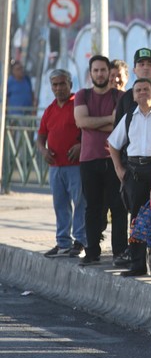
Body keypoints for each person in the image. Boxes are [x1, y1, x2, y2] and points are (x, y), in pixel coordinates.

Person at [108, 78, 151, 276]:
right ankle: (137, 264)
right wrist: (119, 168)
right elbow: (113, 143)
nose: (142, 93)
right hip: (134, 172)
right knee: (136, 218)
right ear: (133, 94)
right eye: (138, 90)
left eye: (146, 89)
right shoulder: (129, 116)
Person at [74, 55, 126, 266]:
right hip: (88, 159)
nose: (100, 74)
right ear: (90, 73)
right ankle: (92, 251)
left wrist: (92, 123)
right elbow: (80, 121)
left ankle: (120, 253)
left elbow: (119, 127)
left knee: (118, 207)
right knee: (93, 207)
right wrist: (107, 121)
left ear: (108, 72)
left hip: (114, 160)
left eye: (103, 70)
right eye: (95, 70)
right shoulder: (82, 95)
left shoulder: (120, 96)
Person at [38, 69, 86, 258]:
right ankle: (63, 242)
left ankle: (81, 241)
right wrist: (43, 150)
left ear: (70, 84)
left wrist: (81, 145)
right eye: (55, 85)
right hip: (55, 166)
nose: (58, 88)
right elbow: (40, 136)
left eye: (62, 84)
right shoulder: (49, 109)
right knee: (60, 205)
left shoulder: (78, 104)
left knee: (81, 203)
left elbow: (89, 130)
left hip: (76, 165)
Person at [113, 48, 151, 127]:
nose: (146, 67)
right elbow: (118, 130)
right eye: (141, 64)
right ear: (134, 70)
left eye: (149, 64)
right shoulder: (126, 97)